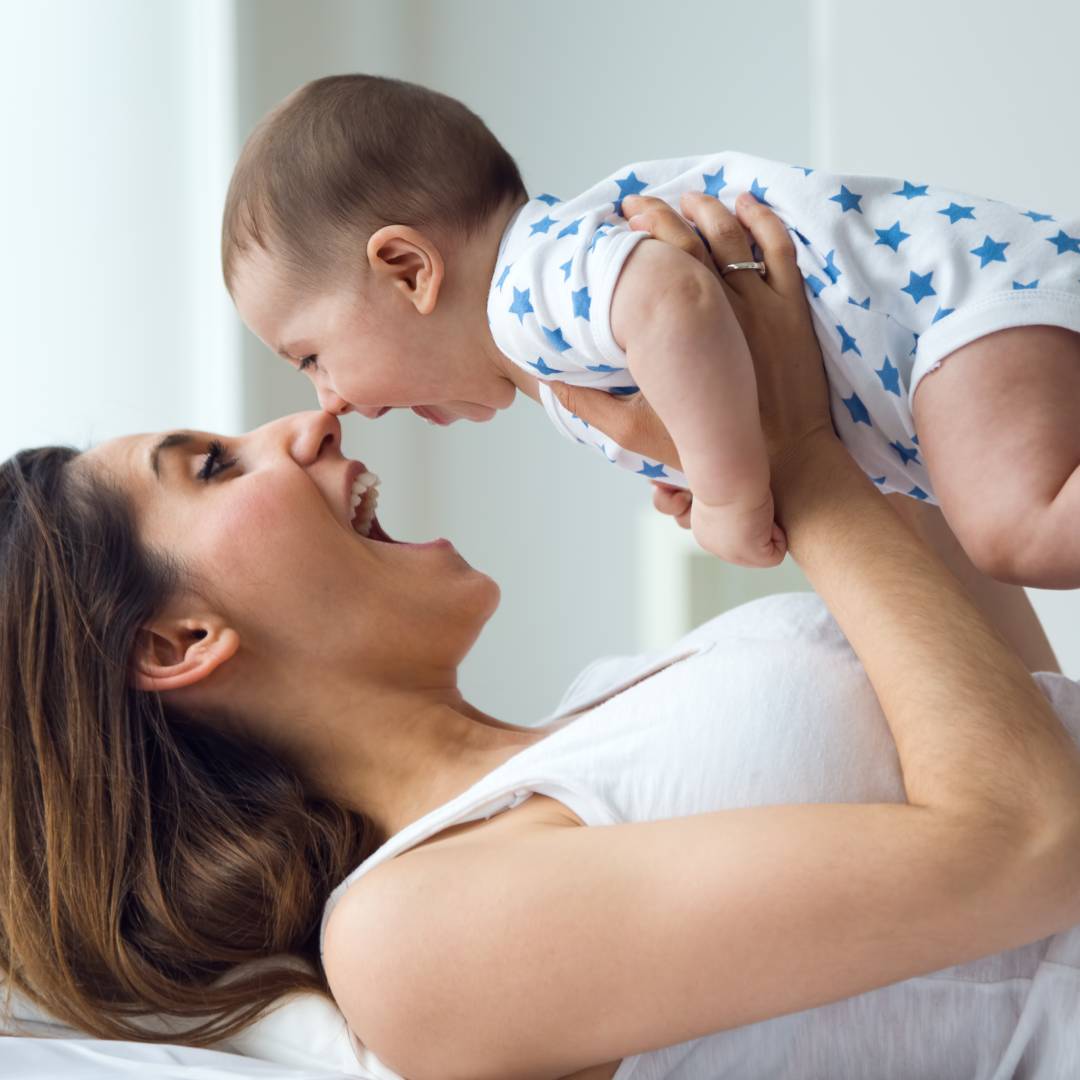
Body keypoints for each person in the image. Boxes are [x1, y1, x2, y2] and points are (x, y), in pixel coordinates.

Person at [2, 197, 1079, 1080]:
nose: (307, 420)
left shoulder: (620, 691)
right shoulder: (410, 938)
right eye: (215, 468)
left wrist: (777, 408)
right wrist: (796, 456)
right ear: (178, 639)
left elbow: (1028, 710)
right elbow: (1034, 849)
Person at [222, 73, 1080, 585]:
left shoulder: (526, 292)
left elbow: (675, 302)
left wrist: (727, 491)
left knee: (1015, 530)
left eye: (311, 356)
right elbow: (701, 353)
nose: (332, 401)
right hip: (950, 332)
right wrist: (705, 449)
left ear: (409, 270)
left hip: (953, 314)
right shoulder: (555, 305)